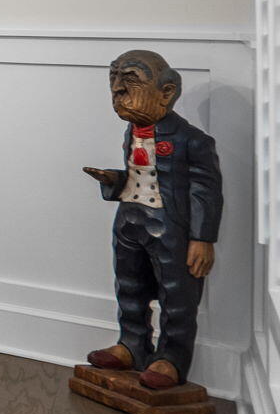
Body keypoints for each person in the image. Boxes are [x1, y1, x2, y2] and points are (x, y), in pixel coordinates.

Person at [82, 50, 220, 390]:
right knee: (129, 286)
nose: (117, 88)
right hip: (129, 221)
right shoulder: (131, 131)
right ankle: (132, 344)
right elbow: (140, 175)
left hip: (171, 228)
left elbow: (205, 191)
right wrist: (114, 181)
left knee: (177, 296)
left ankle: (171, 357)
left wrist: (202, 238)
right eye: (113, 78)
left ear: (166, 92)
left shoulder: (193, 141)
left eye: (130, 79)